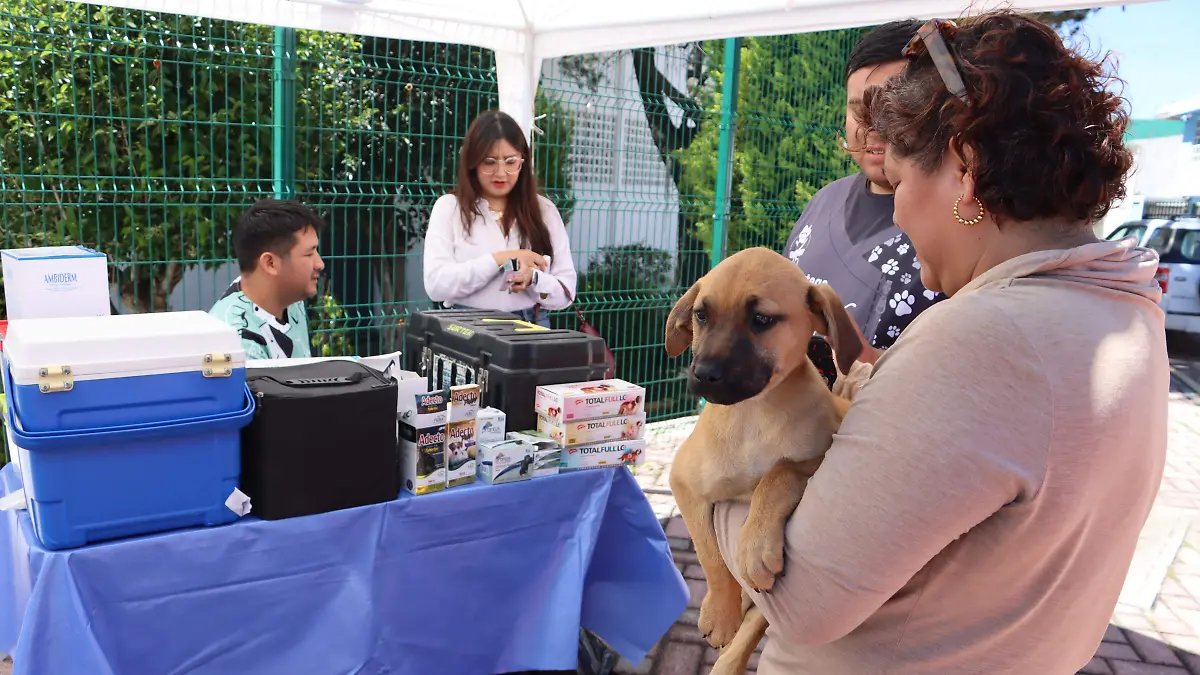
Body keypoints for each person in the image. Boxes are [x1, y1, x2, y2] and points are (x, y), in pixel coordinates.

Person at [714, 12, 1166, 674]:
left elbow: (804, 595)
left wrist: (711, 493)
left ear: (964, 169)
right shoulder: (1123, 306)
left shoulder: (987, 337)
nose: (894, 213)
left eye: (900, 184)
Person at [785, 20, 940, 384]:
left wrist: (871, 362)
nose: (873, 127)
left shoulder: (962, 225)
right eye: (860, 111)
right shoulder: (823, 203)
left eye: (892, 110)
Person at [423, 110, 577, 328]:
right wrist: (501, 258)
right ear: (472, 163)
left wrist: (533, 278)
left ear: (522, 162)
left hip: (530, 327)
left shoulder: (544, 210)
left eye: (510, 161)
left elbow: (566, 292)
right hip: (467, 328)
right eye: (489, 162)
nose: (501, 172)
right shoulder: (449, 208)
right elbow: (436, 285)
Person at [210, 199, 326, 360]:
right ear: (270, 263)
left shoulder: (289, 298)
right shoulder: (239, 346)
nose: (320, 264)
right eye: (309, 253)